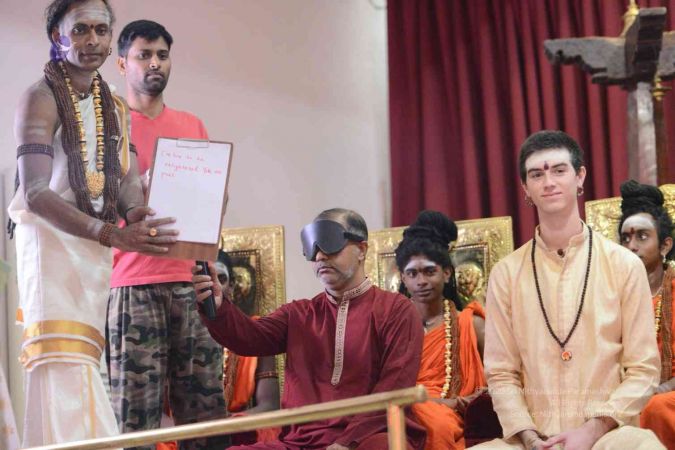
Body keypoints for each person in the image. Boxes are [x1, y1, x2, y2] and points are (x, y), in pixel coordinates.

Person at [8, 0, 177, 445]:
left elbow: (124, 176)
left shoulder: (113, 104)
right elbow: (36, 192)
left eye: (101, 31)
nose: (93, 41)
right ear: (57, 36)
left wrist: (136, 213)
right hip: (50, 243)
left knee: (84, 361)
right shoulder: (40, 98)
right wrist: (113, 233)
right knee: (62, 361)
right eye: (80, 29)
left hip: (92, 248)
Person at [473, 130, 663, 449]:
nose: (548, 182)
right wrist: (529, 437)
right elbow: (502, 373)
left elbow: (643, 369)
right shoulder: (506, 274)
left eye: (559, 170)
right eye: (537, 174)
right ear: (526, 188)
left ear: (580, 177)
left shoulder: (623, 265)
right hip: (533, 437)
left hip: (609, 435)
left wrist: (594, 429)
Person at [193, 208, 427, 449]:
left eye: (330, 244)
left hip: (368, 437)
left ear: (362, 250)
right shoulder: (298, 314)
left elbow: (394, 387)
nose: (320, 256)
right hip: (301, 443)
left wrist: (346, 442)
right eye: (312, 248)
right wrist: (218, 306)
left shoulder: (397, 311)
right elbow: (248, 338)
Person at [106, 20, 227, 450]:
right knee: (135, 422)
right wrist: (139, 188)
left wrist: (215, 199)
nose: (155, 63)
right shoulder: (109, 126)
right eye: (144, 55)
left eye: (162, 55)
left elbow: (214, 205)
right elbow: (91, 205)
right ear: (123, 63)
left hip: (191, 282)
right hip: (133, 283)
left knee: (206, 417)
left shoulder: (192, 124)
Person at [395, 210, 487, 450]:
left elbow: (502, 377)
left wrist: (469, 400)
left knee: (437, 424)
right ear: (403, 278)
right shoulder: (390, 329)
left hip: (448, 419)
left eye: (429, 271)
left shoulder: (471, 324)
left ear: (447, 273)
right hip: (399, 410)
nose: (421, 281)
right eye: (412, 273)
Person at [619, 180, 675, 448]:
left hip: (666, 397)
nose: (631, 246)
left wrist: (657, 389)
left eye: (642, 236)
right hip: (626, 395)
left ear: (665, 246)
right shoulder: (610, 297)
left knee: (656, 407)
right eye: (625, 238)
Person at [216, 250, 281, 445]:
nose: (213, 286)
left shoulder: (256, 332)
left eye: (221, 278)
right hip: (185, 434)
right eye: (205, 279)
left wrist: (227, 425)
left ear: (232, 286)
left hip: (239, 431)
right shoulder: (177, 336)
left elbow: (270, 405)